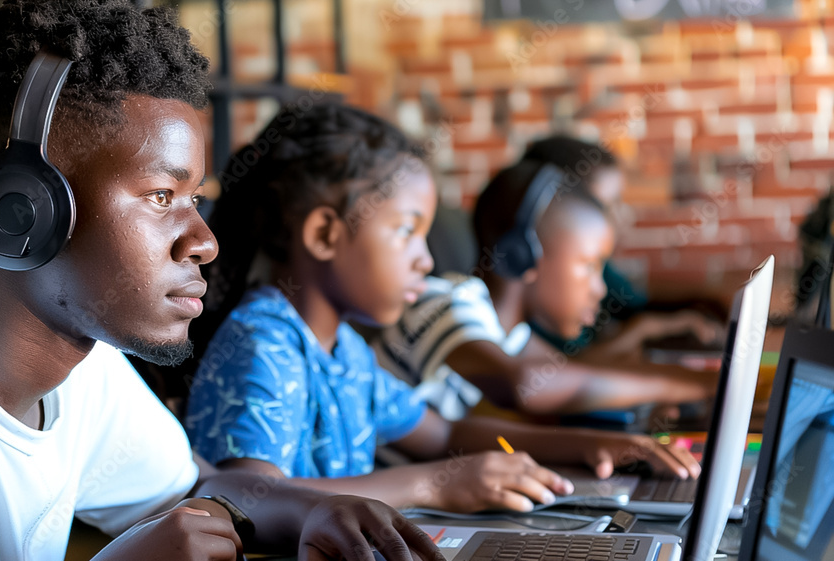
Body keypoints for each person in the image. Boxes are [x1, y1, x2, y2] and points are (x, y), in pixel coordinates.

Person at [0, 1, 445, 560]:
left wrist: (320, 512)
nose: (203, 241)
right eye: (161, 196)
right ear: (19, 210)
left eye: (194, 198)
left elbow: (197, 483)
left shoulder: (81, 364)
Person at [184, 103, 701, 515]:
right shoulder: (263, 342)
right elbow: (248, 499)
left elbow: (445, 434)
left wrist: (591, 445)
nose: (426, 259)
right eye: (406, 231)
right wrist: (434, 483)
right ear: (324, 234)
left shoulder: (343, 349)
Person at [374, 159, 719, 421]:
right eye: (588, 265)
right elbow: (527, 385)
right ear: (521, 255)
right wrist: (697, 386)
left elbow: (573, 371)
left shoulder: (511, 335)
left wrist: (641, 398)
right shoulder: (446, 302)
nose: (599, 289)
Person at [521, 135, 722, 359]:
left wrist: (709, 299)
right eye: (609, 203)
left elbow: (634, 303)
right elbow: (566, 370)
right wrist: (642, 330)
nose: (623, 215)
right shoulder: (543, 286)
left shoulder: (597, 267)